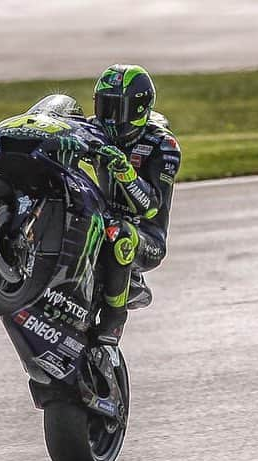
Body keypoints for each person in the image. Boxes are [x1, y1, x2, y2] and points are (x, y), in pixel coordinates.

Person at [88, 64, 181, 346]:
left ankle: (112, 324)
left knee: (120, 234)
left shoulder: (162, 145)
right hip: (102, 218)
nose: (108, 118)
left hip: (146, 238)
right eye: (104, 107)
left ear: (138, 109)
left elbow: (151, 206)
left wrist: (125, 171)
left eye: (116, 109)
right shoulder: (95, 127)